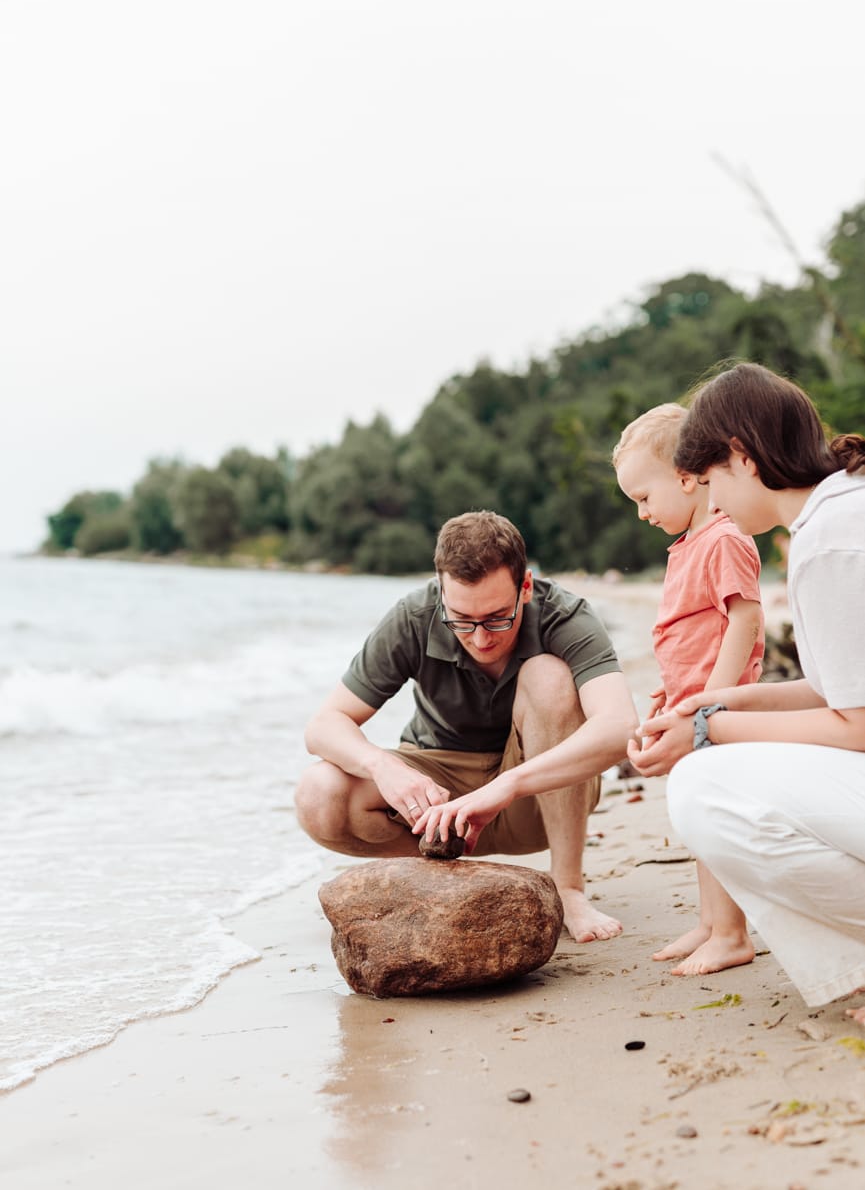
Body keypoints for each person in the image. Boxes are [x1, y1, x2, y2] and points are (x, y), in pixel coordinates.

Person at [628, 363, 865, 1017]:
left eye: (708, 483)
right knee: (717, 760)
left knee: (703, 788)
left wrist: (704, 733)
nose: (715, 504)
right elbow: (834, 691)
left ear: (740, 457)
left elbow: (858, 726)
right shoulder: (842, 512)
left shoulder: (828, 541)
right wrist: (720, 702)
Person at [299, 510, 638, 942]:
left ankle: (568, 889)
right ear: (442, 593)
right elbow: (323, 726)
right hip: (436, 798)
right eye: (462, 620)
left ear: (526, 588)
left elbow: (620, 727)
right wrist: (382, 766)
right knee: (318, 794)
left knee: (548, 676)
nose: (481, 639)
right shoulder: (413, 617)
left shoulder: (564, 615)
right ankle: (445, 874)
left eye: (498, 618)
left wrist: (509, 784)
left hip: (536, 798)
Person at [613, 403, 765, 975]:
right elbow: (688, 634)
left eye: (644, 498)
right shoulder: (689, 544)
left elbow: (745, 621)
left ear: (684, 477)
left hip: (717, 711)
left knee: (715, 818)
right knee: (696, 819)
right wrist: (670, 693)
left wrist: (708, 703)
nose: (642, 513)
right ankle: (708, 922)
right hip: (692, 706)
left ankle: (731, 933)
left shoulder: (723, 538)